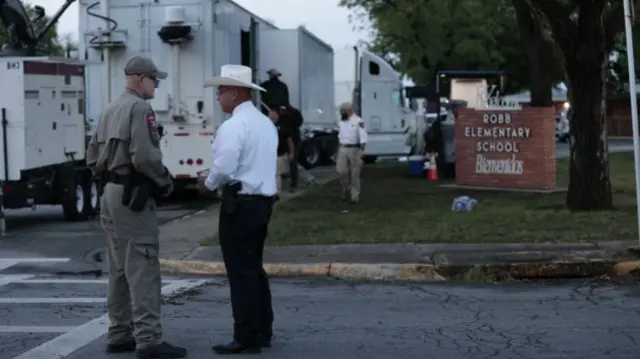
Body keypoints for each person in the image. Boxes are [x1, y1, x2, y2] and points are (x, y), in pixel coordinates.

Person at [86, 56, 186, 359]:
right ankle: (149, 339)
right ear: (140, 78)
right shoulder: (140, 108)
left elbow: (92, 156)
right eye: (155, 80)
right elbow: (144, 156)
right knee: (142, 265)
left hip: (111, 193)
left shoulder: (110, 108)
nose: (157, 85)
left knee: (118, 268)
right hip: (133, 195)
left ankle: (119, 334)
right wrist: (165, 181)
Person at [199, 64, 278, 355]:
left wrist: (207, 183)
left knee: (240, 272)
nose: (218, 97)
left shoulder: (233, 126)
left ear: (234, 92)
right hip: (262, 202)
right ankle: (263, 329)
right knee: (254, 268)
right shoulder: (265, 123)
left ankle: (246, 336)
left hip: (240, 205)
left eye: (221, 91)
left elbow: (224, 167)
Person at [337, 102, 368, 204]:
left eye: (342, 110)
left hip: (354, 149)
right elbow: (340, 135)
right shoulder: (342, 121)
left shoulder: (358, 121)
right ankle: (344, 190)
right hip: (342, 148)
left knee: (355, 173)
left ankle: (355, 196)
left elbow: (363, 136)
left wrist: (362, 150)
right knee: (341, 171)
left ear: (348, 110)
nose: (341, 112)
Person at [277, 104, 303, 192]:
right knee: (284, 164)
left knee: (292, 163)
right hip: (283, 143)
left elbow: (299, 123)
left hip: (294, 142)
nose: (282, 112)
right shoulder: (279, 117)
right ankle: (285, 183)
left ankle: (293, 184)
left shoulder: (293, 114)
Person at [271, 106, 294, 196]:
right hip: (271, 154)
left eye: (273, 115)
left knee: (278, 173)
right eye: (270, 115)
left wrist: (291, 152)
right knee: (277, 173)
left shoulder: (283, 126)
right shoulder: (268, 126)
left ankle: (277, 192)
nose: (272, 117)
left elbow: (289, 140)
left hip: (281, 153)